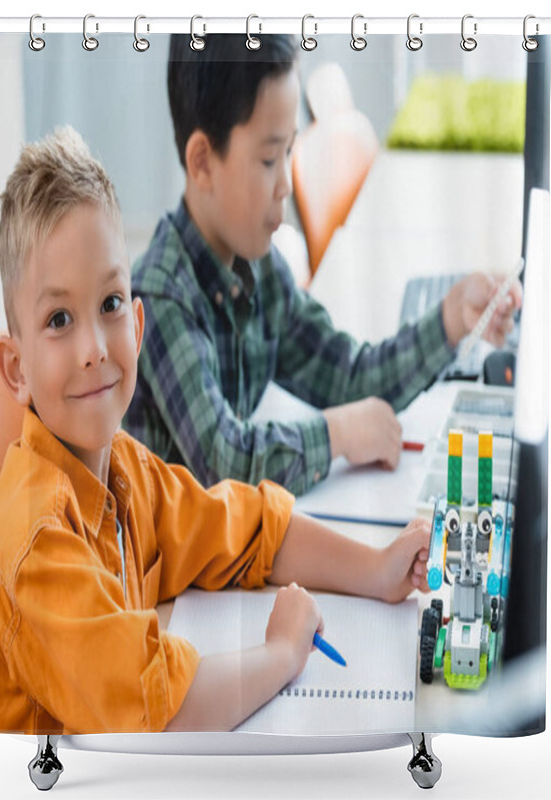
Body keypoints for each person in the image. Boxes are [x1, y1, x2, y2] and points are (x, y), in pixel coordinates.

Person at [0, 126, 431, 735]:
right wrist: (282, 654)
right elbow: (165, 708)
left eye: (109, 305)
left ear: (137, 322)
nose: (94, 350)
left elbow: (241, 528)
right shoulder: (39, 549)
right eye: (58, 319)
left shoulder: (124, 470)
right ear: (16, 368)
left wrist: (374, 568)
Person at [124, 33, 522, 497]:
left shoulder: (262, 271)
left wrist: (451, 320)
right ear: (202, 162)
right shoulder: (160, 298)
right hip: (162, 564)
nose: (286, 186)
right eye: (270, 158)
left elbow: (350, 378)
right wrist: (338, 433)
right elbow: (225, 464)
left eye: (291, 151)